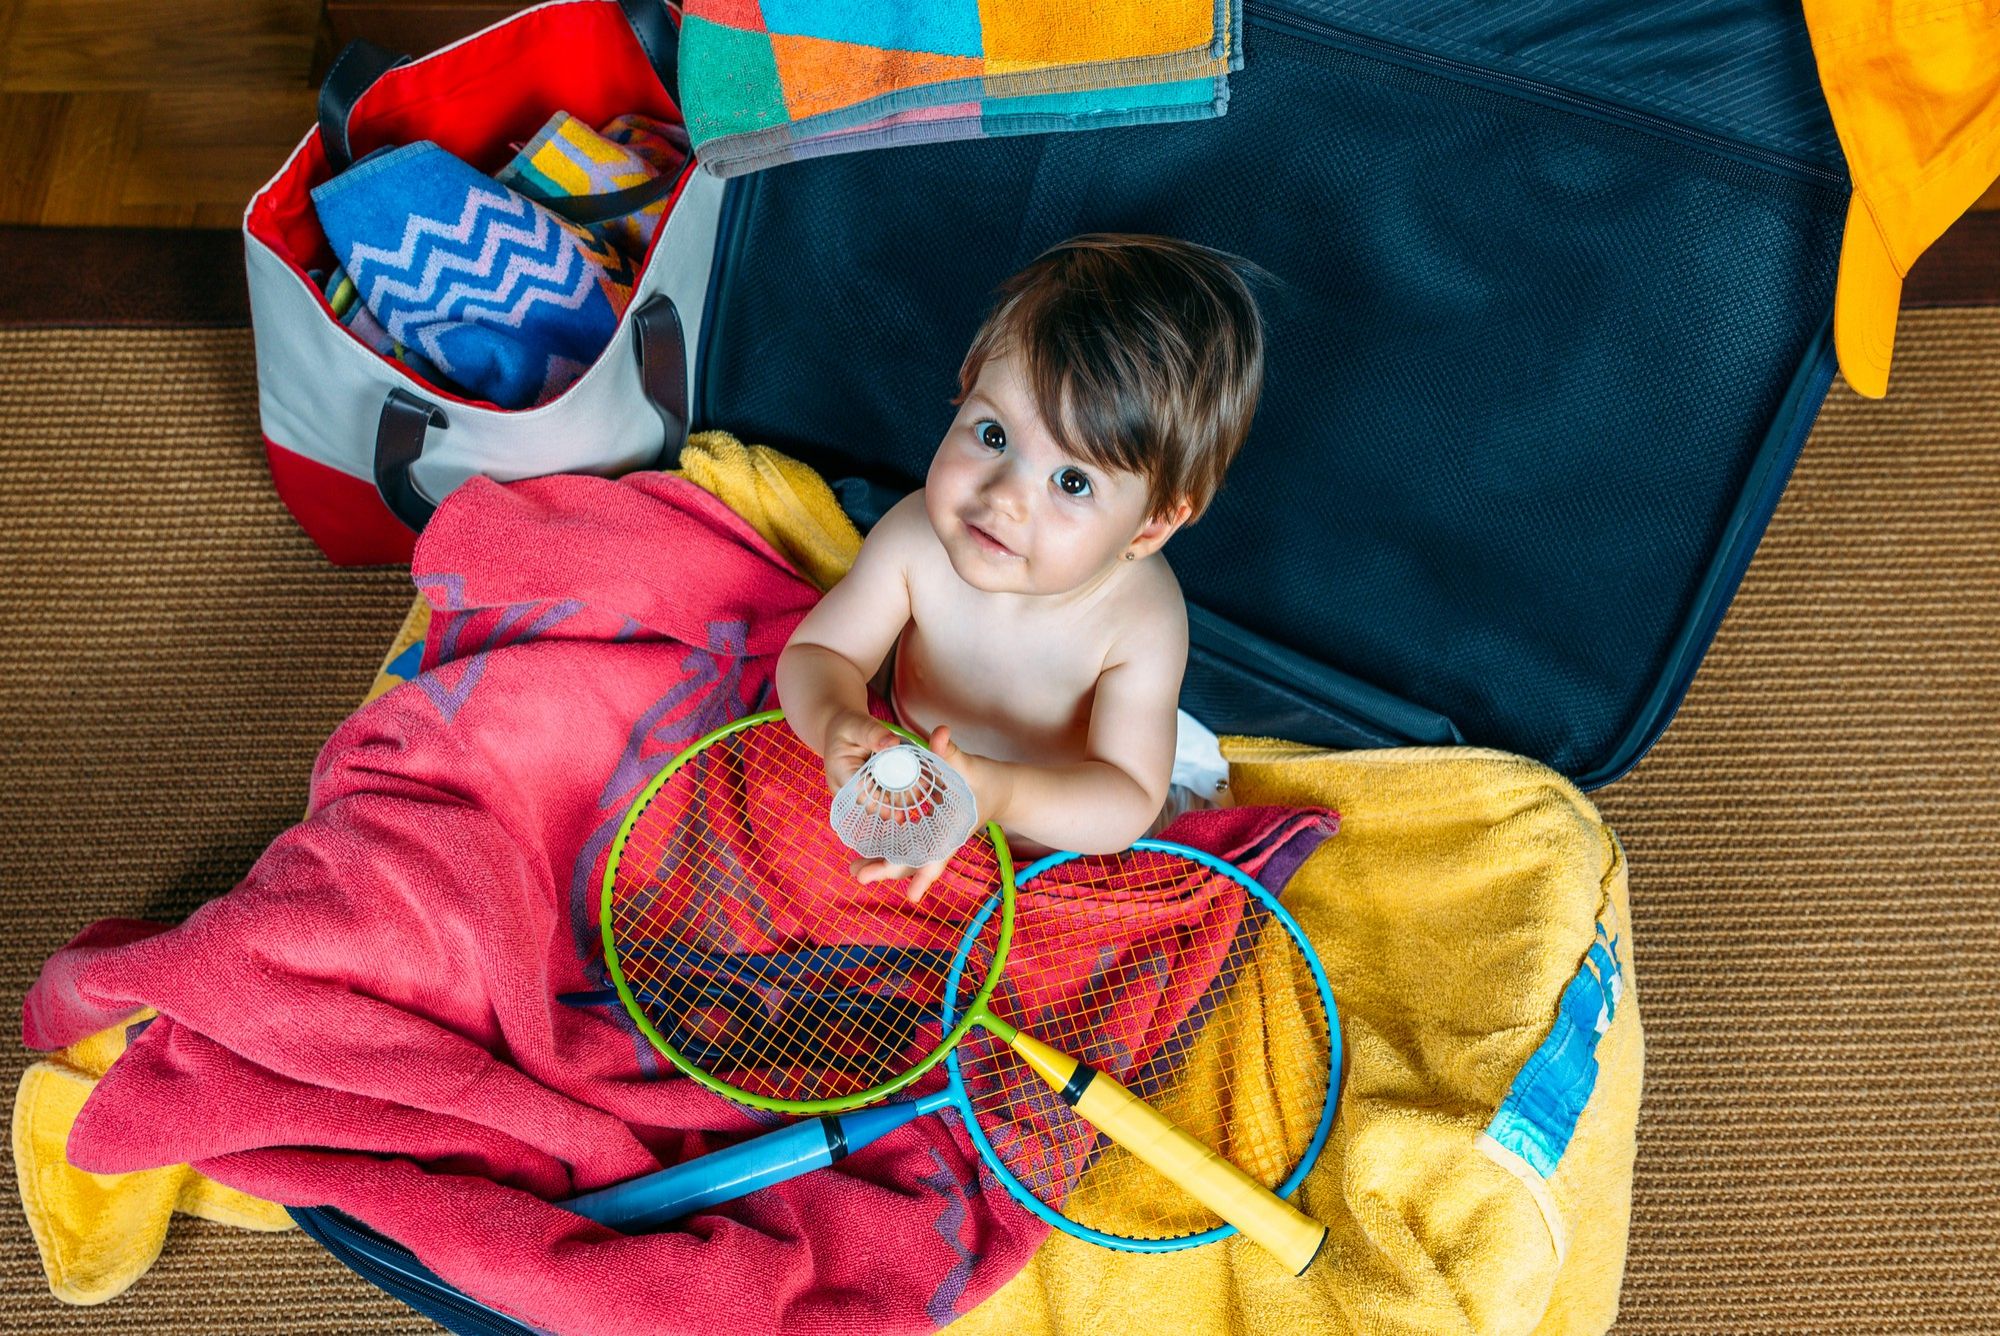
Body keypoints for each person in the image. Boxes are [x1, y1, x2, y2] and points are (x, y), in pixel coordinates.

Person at [776, 232, 1266, 898]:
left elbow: (1122, 800)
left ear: (1151, 526)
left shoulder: (1140, 619)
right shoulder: (916, 539)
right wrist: (836, 718)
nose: (1003, 498)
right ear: (966, 389)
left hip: (1057, 830)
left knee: (1156, 881)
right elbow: (818, 651)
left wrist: (1000, 793)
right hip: (913, 781)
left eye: (1071, 482)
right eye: (993, 435)